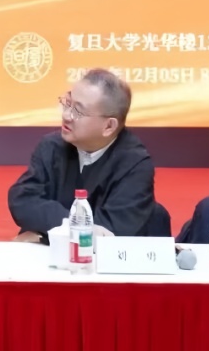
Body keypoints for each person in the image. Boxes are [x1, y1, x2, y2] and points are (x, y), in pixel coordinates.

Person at [8, 68, 161, 241]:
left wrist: (44, 236)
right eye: (67, 103)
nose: (66, 115)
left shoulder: (135, 164)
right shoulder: (51, 146)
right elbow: (22, 199)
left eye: (78, 111)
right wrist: (74, 226)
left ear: (109, 126)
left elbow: (110, 234)